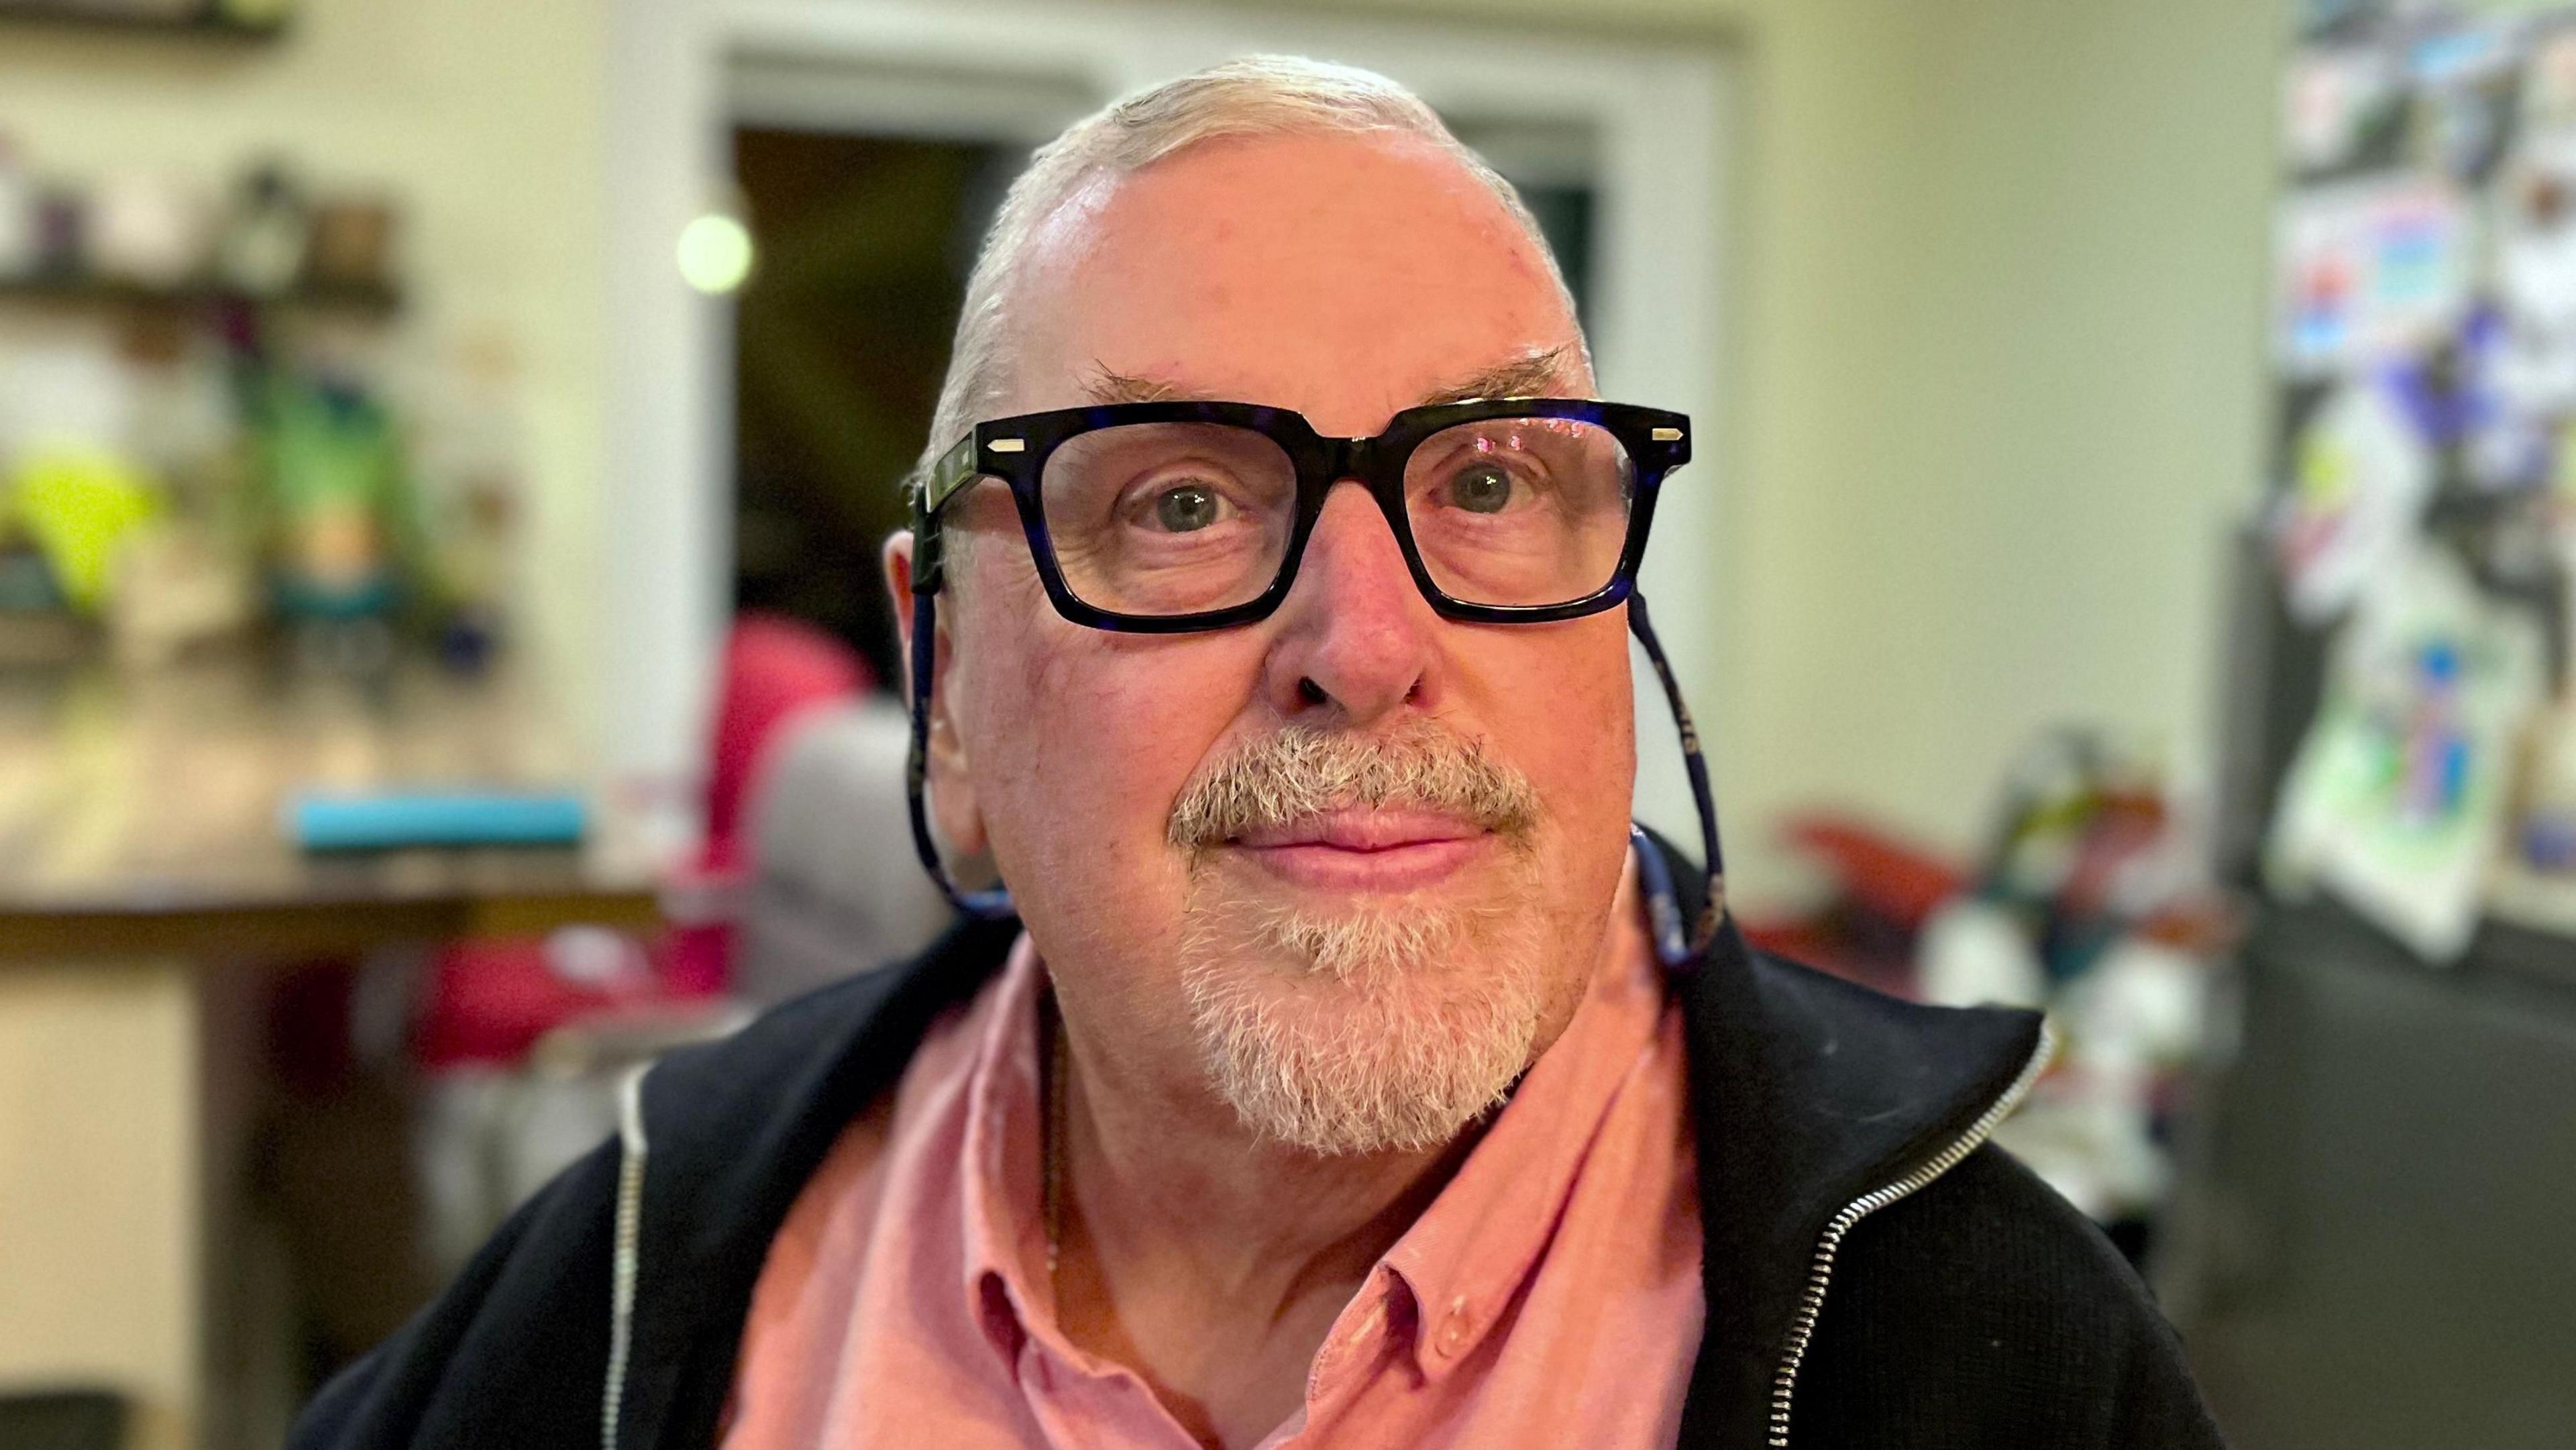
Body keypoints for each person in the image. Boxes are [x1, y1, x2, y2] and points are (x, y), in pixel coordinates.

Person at [292, 56, 2222, 1450]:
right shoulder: (649, 1248)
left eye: (1482, 479)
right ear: (948, 678)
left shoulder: (1993, 1355)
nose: (1367, 648)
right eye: (1186, 505)